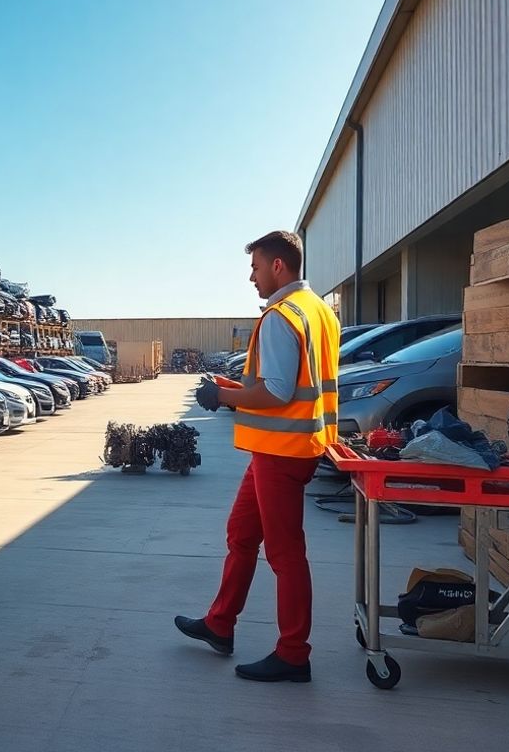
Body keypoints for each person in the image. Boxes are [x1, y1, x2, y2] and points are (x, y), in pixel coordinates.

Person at [175, 230, 340, 683]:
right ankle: (220, 624)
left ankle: (293, 654)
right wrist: (228, 388)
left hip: (281, 452)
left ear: (278, 267)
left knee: (285, 555)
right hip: (287, 447)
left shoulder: (281, 317)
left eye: (255, 267)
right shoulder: (320, 312)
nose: (251, 277)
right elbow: (290, 387)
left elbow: (277, 391)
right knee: (241, 535)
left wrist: (226, 400)